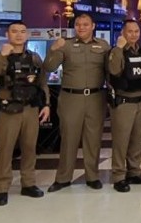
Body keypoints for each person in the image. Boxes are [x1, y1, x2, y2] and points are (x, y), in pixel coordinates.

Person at [44, 14, 110, 193]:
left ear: (93, 26)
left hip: (96, 98)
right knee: (68, 139)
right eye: (78, 24)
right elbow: (49, 67)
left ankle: (92, 176)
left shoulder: (103, 46)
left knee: (93, 139)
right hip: (71, 98)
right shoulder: (66, 45)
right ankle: (63, 178)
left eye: (85, 24)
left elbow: (109, 72)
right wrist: (53, 49)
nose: (81, 27)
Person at [0, 21, 50, 206]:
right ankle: (1, 188)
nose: (19, 35)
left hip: (31, 109)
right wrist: (2, 56)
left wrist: (46, 104)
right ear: (8, 35)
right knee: (5, 150)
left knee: (29, 148)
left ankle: (28, 184)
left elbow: (42, 82)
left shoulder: (34, 57)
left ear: (27, 35)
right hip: (9, 110)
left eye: (22, 31)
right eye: (14, 31)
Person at [107, 20, 141, 193]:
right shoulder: (116, 51)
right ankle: (119, 176)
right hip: (124, 103)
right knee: (121, 142)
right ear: (123, 33)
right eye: (130, 31)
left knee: (137, 140)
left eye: (136, 31)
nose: (133, 34)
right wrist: (119, 48)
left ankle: (134, 172)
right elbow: (114, 71)